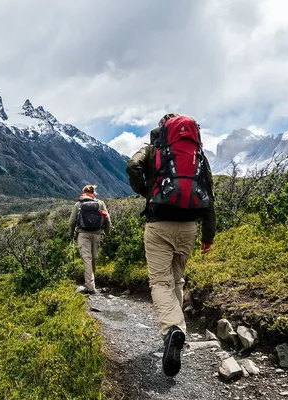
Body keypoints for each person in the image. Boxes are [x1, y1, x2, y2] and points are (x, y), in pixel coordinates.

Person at [126, 114, 216, 377]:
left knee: (160, 282)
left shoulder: (153, 150)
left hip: (159, 224)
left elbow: (132, 166)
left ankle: (172, 330)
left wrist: (145, 191)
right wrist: (208, 236)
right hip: (189, 226)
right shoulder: (197, 155)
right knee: (177, 280)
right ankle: (177, 331)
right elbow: (209, 193)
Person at [69, 185, 111, 294]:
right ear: (94, 193)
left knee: (86, 258)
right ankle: (91, 283)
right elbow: (107, 219)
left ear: (83, 192)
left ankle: (90, 286)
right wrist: (107, 232)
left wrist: (71, 235)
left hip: (83, 234)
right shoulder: (100, 203)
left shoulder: (79, 204)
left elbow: (72, 221)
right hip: (97, 234)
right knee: (93, 258)